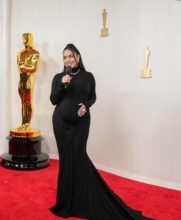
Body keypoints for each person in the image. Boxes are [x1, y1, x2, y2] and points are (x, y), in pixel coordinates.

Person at [49, 43, 153, 220]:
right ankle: (66, 201)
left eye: (70, 56)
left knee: (79, 158)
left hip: (80, 125)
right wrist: (61, 84)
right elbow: (53, 100)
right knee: (66, 160)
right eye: (64, 57)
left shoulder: (88, 76)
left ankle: (84, 199)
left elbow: (92, 97)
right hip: (60, 124)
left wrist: (86, 106)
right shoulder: (59, 77)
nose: (67, 59)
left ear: (78, 57)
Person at [16, 33, 40, 131]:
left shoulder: (35, 53)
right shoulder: (20, 53)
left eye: (26, 38)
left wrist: (23, 66)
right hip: (21, 79)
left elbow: (33, 68)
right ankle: (23, 123)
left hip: (29, 79)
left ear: (30, 39)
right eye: (23, 38)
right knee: (22, 102)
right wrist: (24, 67)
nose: (24, 40)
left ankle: (27, 123)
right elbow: (19, 68)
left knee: (28, 101)